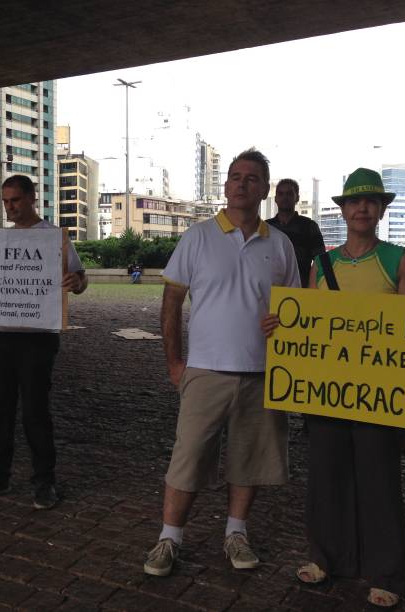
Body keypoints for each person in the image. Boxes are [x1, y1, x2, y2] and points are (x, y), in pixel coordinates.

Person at [261, 167, 405, 608]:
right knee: (325, 478)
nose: (362, 208)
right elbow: (310, 329)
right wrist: (283, 326)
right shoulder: (323, 265)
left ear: (380, 210)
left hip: (379, 398)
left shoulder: (398, 259)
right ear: (343, 210)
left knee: (380, 482)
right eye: (354, 202)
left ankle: (387, 573)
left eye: (370, 202)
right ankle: (325, 558)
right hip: (328, 392)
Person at [143, 149, 300, 578]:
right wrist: (175, 362)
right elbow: (171, 301)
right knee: (188, 458)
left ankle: (235, 532)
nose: (241, 183)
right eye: (234, 176)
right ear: (225, 185)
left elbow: (297, 312)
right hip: (206, 370)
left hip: (263, 373)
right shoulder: (197, 237)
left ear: (266, 189)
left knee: (249, 459)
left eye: (252, 178)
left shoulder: (281, 245)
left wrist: (282, 325)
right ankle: (169, 538)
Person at [0, 174, 88, 510]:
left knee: (35, 413)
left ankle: (44, 482)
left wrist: (76, 282)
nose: (10, 208)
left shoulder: (53, 239)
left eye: (15, 200)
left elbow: (81, 279)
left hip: (36, 342)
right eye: (5, 202)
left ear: (31, 198)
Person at [266, 179, 325, 288]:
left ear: (297, 197)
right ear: (275, 199)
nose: (284, 197)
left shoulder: (309, 227)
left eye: (289, 193)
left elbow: (321, 263)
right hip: (269, 292)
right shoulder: (266, 227)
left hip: (300, 292)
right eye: (280, 194)